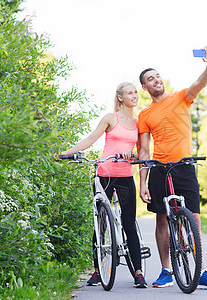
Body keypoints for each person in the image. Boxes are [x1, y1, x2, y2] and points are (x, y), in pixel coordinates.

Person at [137, 47, 207, 290]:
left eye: (157, 76)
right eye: (150, 79)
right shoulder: (145, 114)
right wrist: (142, 183)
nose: (156, 80)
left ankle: (201, 269)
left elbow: (200, 82)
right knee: (162, 220)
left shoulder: (181, 97)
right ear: (145, 88)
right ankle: (166, 270)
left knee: (194, 218)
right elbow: (144, 150)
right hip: (159, 169)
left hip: (185, 166)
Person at [54, 82, 147, 288]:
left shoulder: (138, 122)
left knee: (129, 223)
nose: (135, 95)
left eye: (135, 92)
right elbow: (90, 138)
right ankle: (97, 271)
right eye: (130, 92)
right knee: (101, 223)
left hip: (125, 176)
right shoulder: (110, 118)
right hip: (104, 173)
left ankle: (138, 273)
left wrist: (130, 156)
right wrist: (66, 154)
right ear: (120, 97)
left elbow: (142, 154)